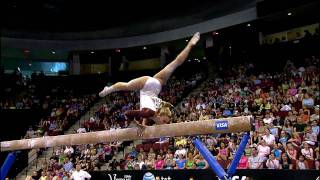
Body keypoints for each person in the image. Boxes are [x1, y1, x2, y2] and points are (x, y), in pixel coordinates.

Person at [99, 32, 200, 127]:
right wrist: (136, 125)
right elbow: (128, 113)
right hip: (148, 85)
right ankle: (109, 89)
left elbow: (145, 113)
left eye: (166, 122)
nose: (164, 124)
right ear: (159, 116)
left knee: (176, 63)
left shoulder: (152, 112)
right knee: (126, 86)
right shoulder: (151, 112)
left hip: (157, 85)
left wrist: (142, 124)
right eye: (165, 121)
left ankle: (190, 44)